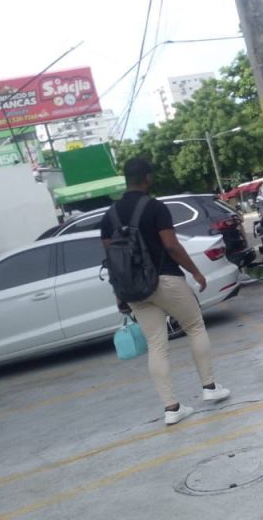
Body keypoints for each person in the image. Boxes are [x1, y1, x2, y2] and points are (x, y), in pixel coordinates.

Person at [101, 158, 230, 425]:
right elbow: (171, 246)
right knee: (194, 326)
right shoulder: (155, 208)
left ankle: (171, 408)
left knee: (157, 344)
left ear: (126, 180)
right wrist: (195, 271)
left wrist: (120, 295)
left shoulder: (109, 216)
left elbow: (112, 261)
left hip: (134, 289)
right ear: (147, 178)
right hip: (166, 279)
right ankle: (209, 388)